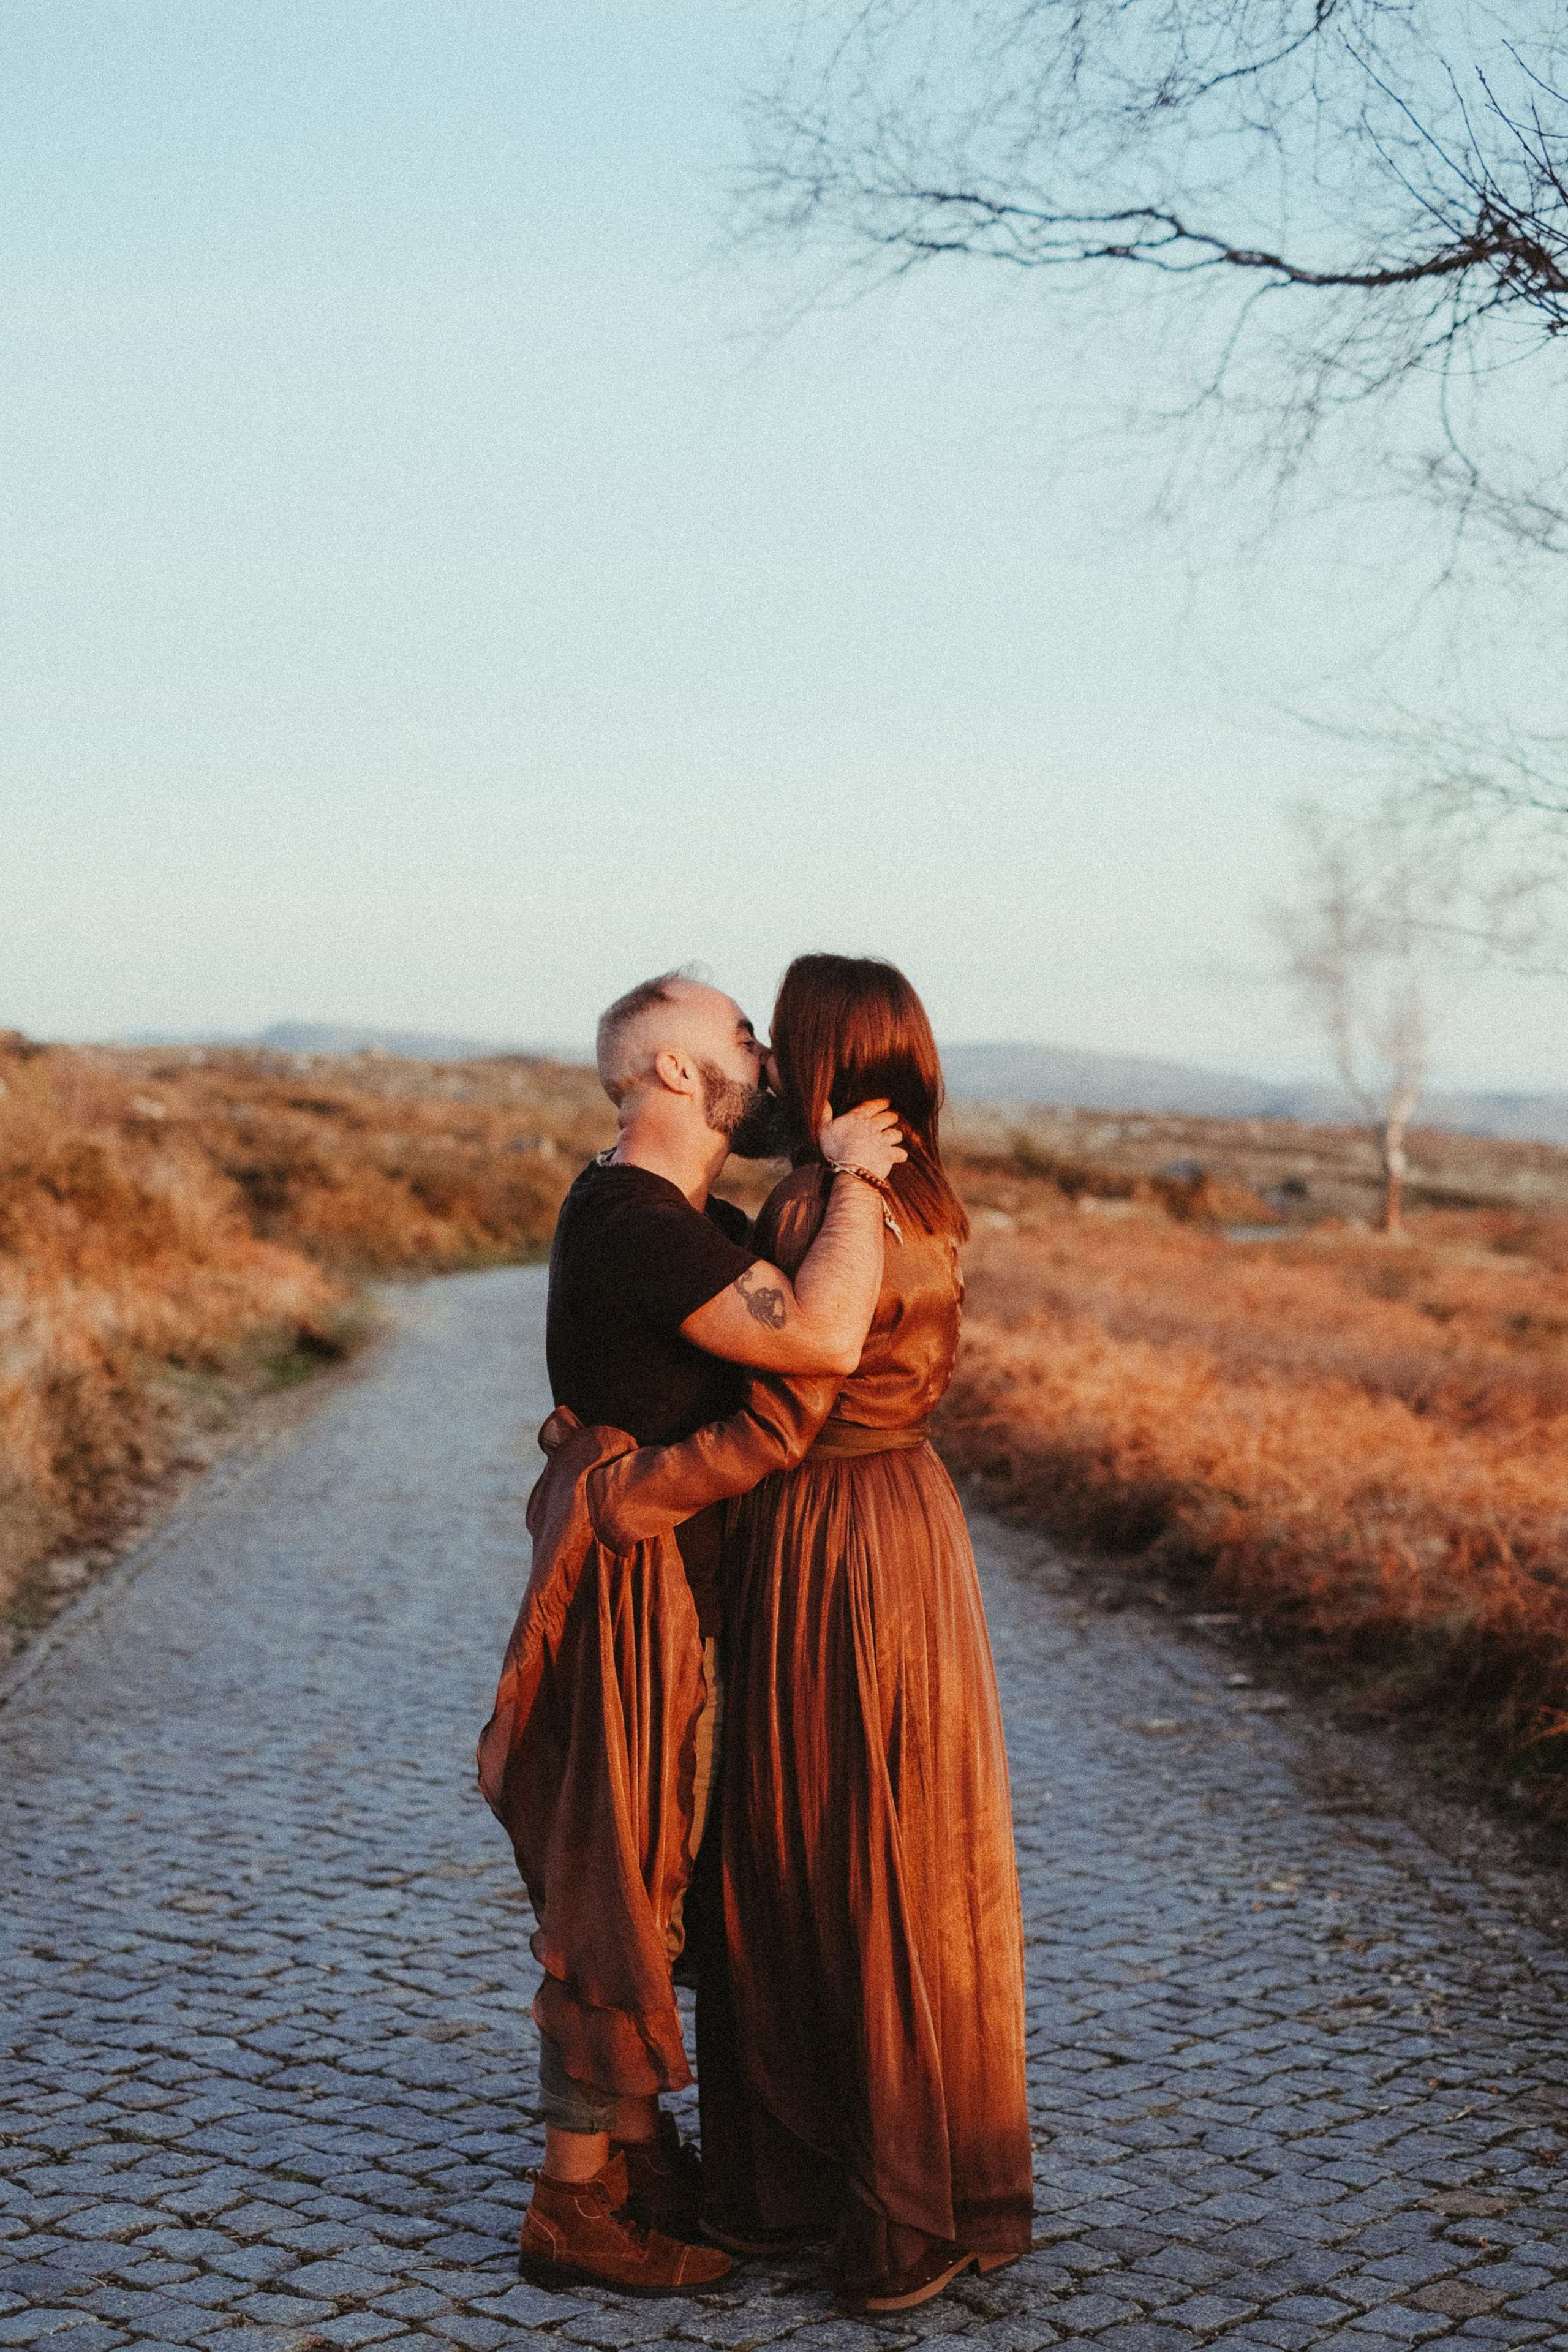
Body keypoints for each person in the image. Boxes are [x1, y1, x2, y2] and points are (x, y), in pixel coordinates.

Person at [590, 956, 1033, 2313]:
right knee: (915, 1847)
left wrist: (626, 1475)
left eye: (780, 1046)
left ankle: (836, 2194)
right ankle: (940, 2181)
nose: (768, 1069)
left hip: (824, 1536)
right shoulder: (932, 1196)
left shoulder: (818, 1199)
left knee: (804, 1857)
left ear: (827, 1058)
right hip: (910, 1525)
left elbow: (806, 1363)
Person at [481, 968, 905, 2297]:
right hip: (629, 1597)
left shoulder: (673, 1213)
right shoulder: (632, 1222)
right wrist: (857, 1181)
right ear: (671, 1072)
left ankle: (632, 2158)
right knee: (612, 1881)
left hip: (666, 1583)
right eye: (739, 1039)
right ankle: (571, 2210)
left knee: (650, 1873)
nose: (763, 1056)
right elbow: (825, 1332)